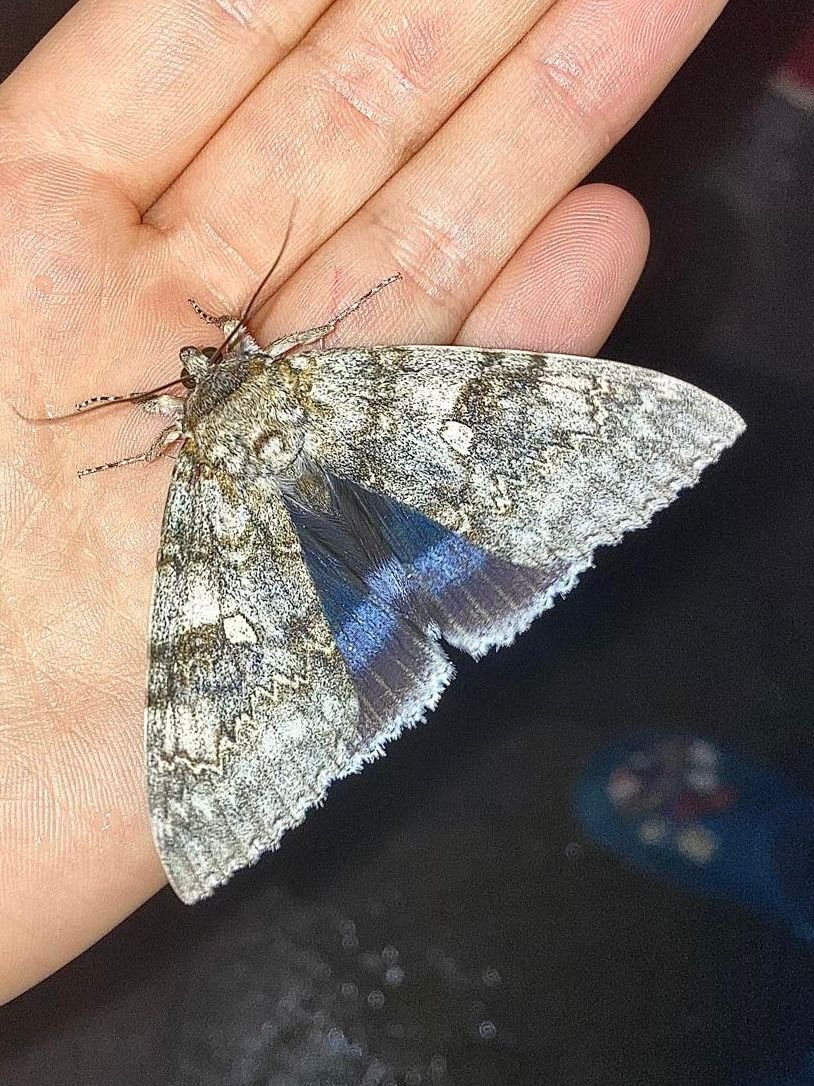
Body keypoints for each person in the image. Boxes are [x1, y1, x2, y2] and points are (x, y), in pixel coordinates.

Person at [0, 0, 730, 1003]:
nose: (198, 365)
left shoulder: (196, 462)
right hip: (370, 439)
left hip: (254, 522)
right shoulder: (306, 376)